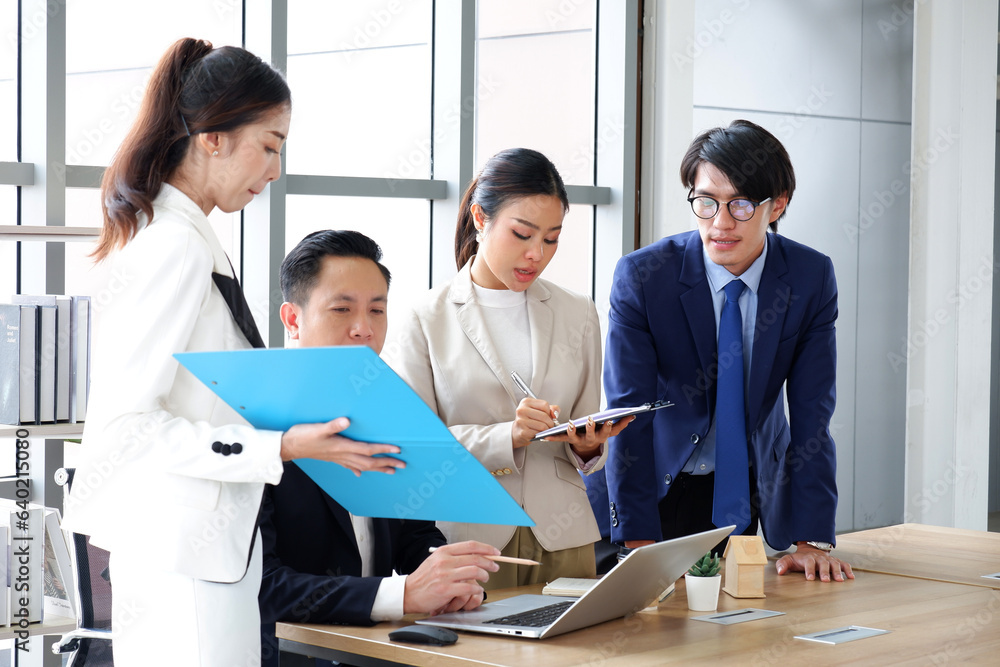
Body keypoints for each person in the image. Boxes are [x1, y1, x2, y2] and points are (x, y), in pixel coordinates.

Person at [61, 39, 404, 665]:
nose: (274, 170)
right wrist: (284, 445)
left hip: (209, 556)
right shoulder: (175, 246)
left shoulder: (185, 237)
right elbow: (128, 427)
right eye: (269, 145)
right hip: (187, 561)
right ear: (212, 137)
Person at [591, 119, 853, 583]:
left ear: (778, 206)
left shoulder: (809, 278)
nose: (721, 222)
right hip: (654, 492)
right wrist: (637, 544)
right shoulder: (645, 277)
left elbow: (814, 414)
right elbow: (627, 413)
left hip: (748, 492)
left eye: (742, 204)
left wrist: (813, 540)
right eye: (706, 202)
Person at [383, 148, 633, 590]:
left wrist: (589, 448)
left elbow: (582, 428)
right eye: (522, 234)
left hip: (565, 536)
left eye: (552, 239)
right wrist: (507, 436)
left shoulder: (578, 313)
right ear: (480, 219)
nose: (537, 253)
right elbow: (409, 447)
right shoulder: (425, 316)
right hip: (467, 537)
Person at [259, 230, 500, 665]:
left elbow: (414, 534)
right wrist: (402, 593)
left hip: (380, 650)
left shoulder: (388, 410)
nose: (364, 329)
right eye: (341, 309)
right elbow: (263, 584)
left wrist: (449, 577)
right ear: (292, 319)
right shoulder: (254, 429)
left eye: (377, 310)